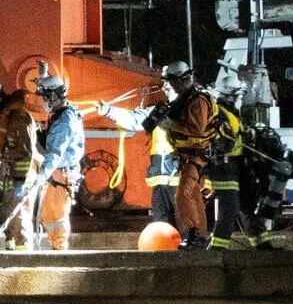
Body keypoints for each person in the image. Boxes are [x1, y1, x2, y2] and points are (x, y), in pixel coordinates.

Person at [92, 101, 179, 226]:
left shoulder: (191, 107)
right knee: (161, 222)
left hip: (181, 177)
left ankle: (190, 243)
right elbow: (134, 119)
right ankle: (166, 245)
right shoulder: (161, 109)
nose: (166, 87)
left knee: (184, 219)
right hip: (161, 178)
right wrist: (109, 111)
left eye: (169, 83)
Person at [158, 60, 215, 250]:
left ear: (183, 80)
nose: (172, 85)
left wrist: (171, 125)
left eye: (173, 81)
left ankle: (194, 234)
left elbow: (197, 130)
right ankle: (200, 236)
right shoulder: (185, 100)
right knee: (194, 196)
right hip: (190, 156)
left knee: (183, 194)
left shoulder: (197, 101)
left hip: (197, 156)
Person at [0, 80, 40, 249]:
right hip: (10, 173)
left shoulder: (18, 117)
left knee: (19, 212)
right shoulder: (5, 116)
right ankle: (11, 244)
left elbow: (25, 151)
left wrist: (21, 179)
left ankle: (23, 250)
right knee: (8, 210)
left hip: (21, 174)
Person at [34, 73, 84, 251]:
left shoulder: (63, 122)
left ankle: (60, 250)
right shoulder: (64, 115)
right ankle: (56, 246)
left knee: (58, 216)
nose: (43, 102)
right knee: (50, 215)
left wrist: (42, 175)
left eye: (45, 97)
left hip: (61, 174)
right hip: (58, 174)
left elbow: (55, 152)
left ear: (54, 96)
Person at [205, 76, 247, 250]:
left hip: (232, 167)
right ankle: (216, 250)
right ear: (228, 95)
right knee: (229, 211)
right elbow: (223, 143)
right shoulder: (220, 114)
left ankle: (217, 248)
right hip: (223, 169)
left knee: (235, 209)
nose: (239, 98)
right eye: (236, 95)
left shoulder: (230, 113)